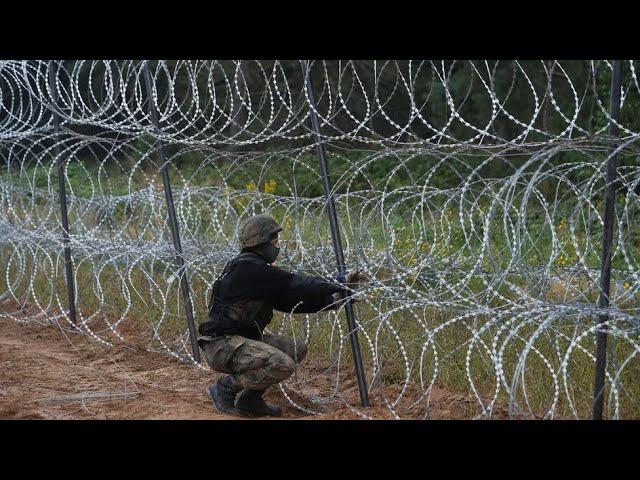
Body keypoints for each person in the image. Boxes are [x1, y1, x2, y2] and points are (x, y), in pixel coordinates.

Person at [198, 214, 362, 417]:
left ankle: (251, 399)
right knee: (282, 364)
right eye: (274, 239)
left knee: (296, 349)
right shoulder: (248, 269)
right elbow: (298, 283)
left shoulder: (257, 271)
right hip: (223, 345)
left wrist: (336, 298)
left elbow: (290, 302)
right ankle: (224, 388)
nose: (277, 244)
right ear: (262, 242)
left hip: (238, 342)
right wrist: (337, 282)